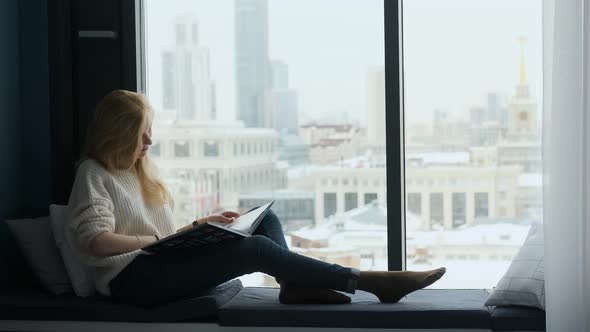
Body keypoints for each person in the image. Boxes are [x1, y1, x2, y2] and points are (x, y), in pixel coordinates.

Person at [66, 89, 446, 307]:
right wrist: (154, 242)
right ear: (117, 133)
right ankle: (372, 282)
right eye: (140, 135)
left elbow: (160, 237)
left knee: (263, 220)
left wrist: (202, 226)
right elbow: (95, 241)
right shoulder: (93, 173)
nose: (149, 142)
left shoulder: (139, 170)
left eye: (150, 133)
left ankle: (293, 286)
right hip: (134, 282)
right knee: (254, 250)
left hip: (163, 263)